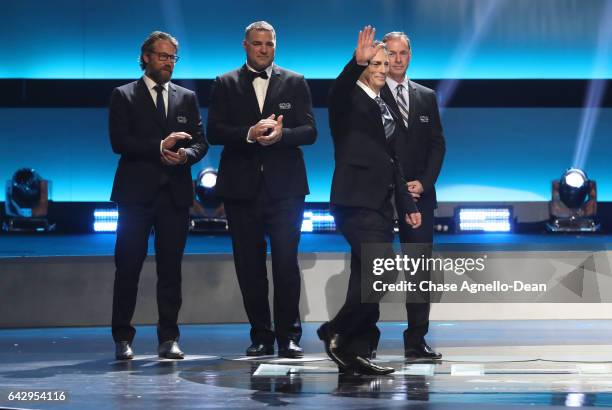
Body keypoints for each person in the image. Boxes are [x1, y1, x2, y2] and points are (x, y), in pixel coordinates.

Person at [207, 21, 317, 358]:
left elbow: (310, 131)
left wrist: (282, 135)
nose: (264, 49)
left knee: (285, 263)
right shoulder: (225, 82)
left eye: (269, 44)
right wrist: (249, 133)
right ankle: (261, 335)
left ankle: (289, 336)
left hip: (285, 189)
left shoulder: (296, 81)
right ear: (245, 45)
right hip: (242, 189)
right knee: (249, 266)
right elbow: (214, 131)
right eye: (257, 44)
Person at [317, 26, 421, 375]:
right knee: (385, 269)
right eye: (374, 63)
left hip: (380, 203)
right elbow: (336, 92)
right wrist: (353, 62)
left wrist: (407, 205)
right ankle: (335, 329)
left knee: (365, 278)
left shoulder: (383, 104)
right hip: (354, 200)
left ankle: (352, 351)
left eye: (384, 62)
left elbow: (394, 161)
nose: (381, 67)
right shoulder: (348, 101)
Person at [109, 31, 208, 360]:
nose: (167, 62)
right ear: (146, 57)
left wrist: (187, 156)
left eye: (172, 57)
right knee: (128, 267)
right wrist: (158, 147)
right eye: (162, 56)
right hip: (136, 195)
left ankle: (169, 338)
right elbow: (119, 142)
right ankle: (122, 338)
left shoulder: (186, 97)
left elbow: (200, 143)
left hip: (175, 196)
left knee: (171, 270)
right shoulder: (123, 95)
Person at [381, 31, 446, 360]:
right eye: (391, 53)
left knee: (419, 269)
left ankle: (416, 341)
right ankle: (365, 341)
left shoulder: (426, 96)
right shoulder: (371, 94)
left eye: (403, 52)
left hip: (420, 195)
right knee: (372, 267)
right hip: (381, 194)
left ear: (410, 55)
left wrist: (424, 182)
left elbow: (437, 144)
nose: (397, 59)